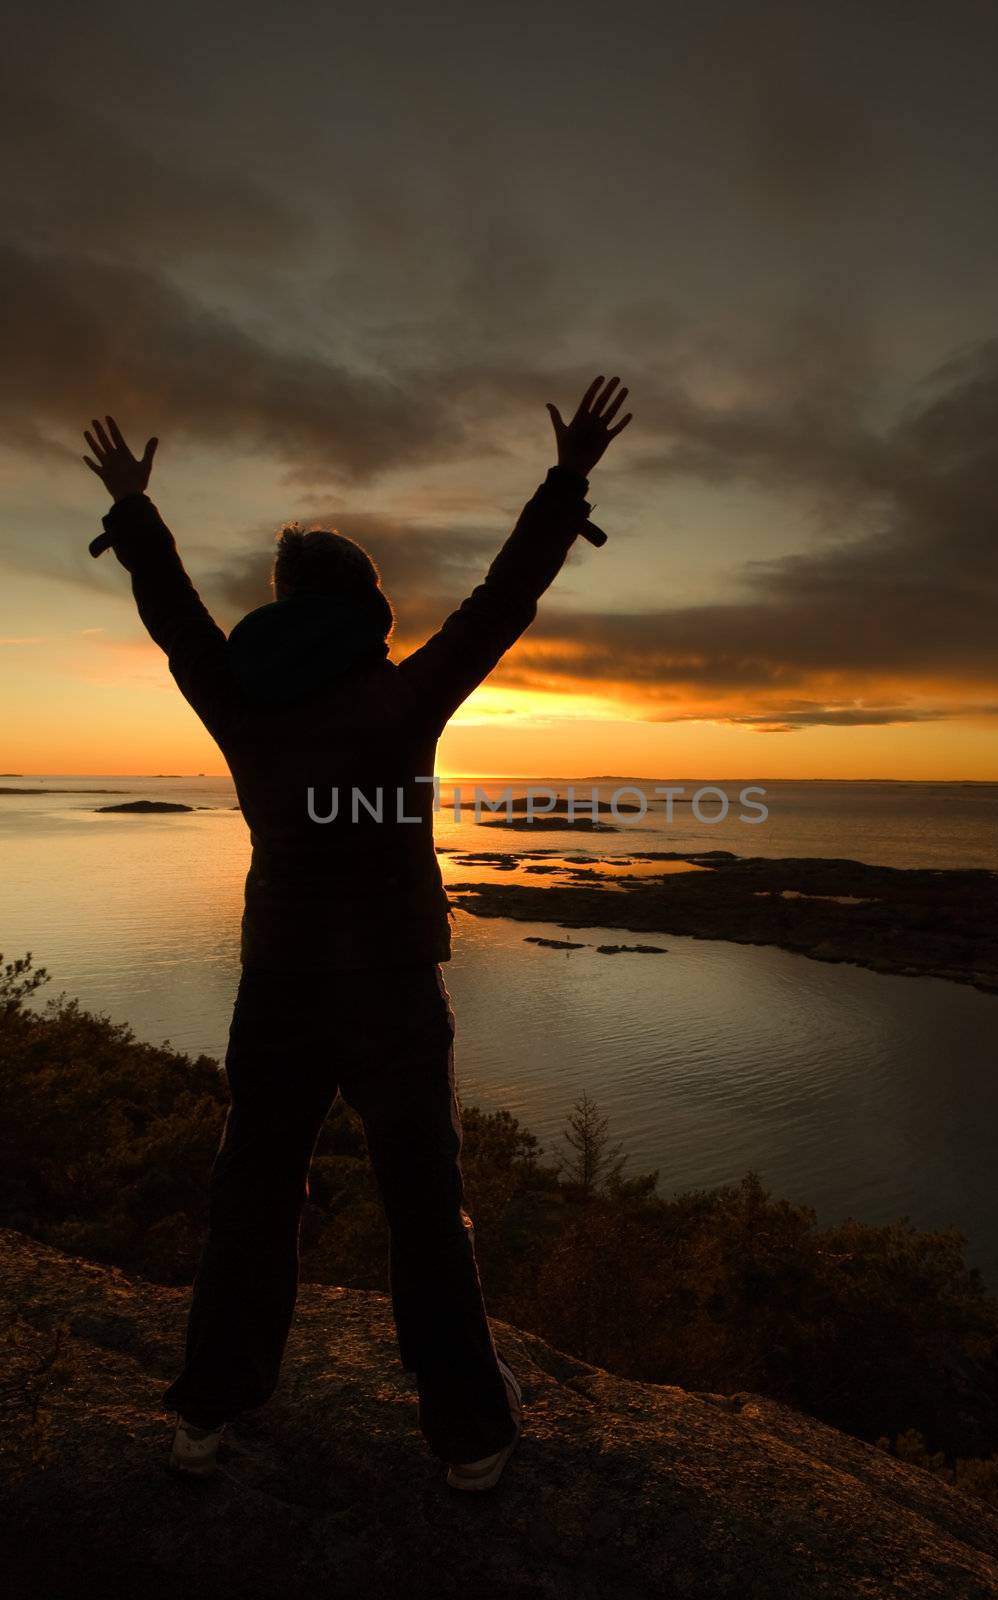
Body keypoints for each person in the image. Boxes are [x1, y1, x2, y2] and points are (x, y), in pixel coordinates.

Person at [81, 376, 633, 1492]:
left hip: (279, 979)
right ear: (366, 603)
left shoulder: (239, 698)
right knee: (424, 1201)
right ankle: (469, 1434)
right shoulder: (399, 699)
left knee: (252, 1194)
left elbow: (176, 614)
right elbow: (498, 604)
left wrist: (136, 512)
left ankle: (209, 1411)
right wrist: (566, 480)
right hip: (389, 983)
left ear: (285, 602)